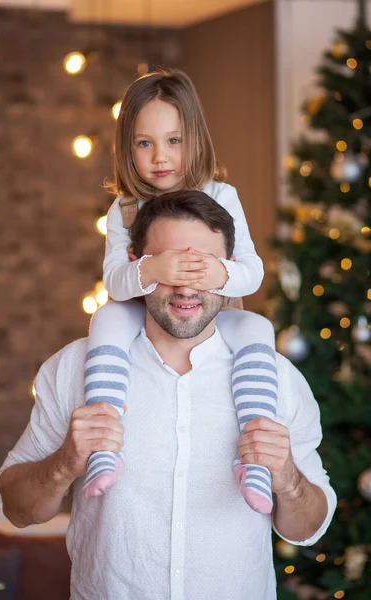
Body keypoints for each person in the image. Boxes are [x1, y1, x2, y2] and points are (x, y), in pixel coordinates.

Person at [0, 190, 337, 600]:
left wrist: (287, 478)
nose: (186, 287)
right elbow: (16, 508)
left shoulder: (276, 380)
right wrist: (65, 462)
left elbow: (308, 527)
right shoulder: (74, 369)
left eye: (203, 268)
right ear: (134, 268)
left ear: (230, 271)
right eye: (168, 266)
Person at [83, 68, 276, 514]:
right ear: (127, 147)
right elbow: (115, 279)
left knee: (258, 328)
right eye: (144, 143)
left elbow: (252, 271)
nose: (160, 157)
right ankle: (104, 442)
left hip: (215, 314)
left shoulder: (221, 195)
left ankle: (257, 457)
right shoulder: (125, 210)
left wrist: (214, 270)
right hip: (148, 316)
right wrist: (152, 267)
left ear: (194, 138)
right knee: (106, 317)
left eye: (173, 140)